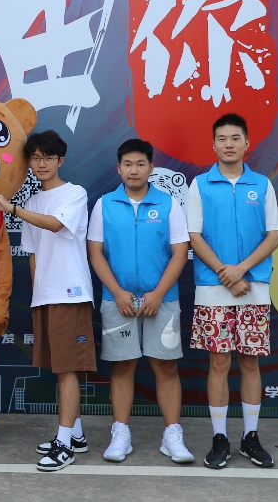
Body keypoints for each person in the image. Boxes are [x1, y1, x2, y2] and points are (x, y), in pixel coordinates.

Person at [0, 129, 94, 472]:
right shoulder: (32, 203)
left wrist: (12, 209)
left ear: (60, 160)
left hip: (71, 294)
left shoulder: (74, 193)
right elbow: (33, 254)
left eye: (48, 157)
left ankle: (64, 445)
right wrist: (38, 294)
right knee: (59, 367)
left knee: (67, 370)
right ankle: (75, 435)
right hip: (46, 297)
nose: (41, 164)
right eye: (35, 158)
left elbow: (55, 225)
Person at [87, 138, 193, 464]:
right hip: (117, 300)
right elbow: (95, 253)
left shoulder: (169, 204)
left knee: (166, 366)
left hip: (163, 300)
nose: (134, 170)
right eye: (128, 164)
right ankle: (121, 434)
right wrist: (118, 293)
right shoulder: (105, 205)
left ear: (151, 168)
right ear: (119, 168)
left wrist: (158, 293)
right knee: (122, 367)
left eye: (140, 164)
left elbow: (180, 252)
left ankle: (172, 435)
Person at [185, 114, 278, 470]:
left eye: (235, 138)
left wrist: (241, 270)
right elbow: (194, 236)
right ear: (214, 145)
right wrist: (226, 274)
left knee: (250, 361)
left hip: (254, 287)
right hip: (214, 288)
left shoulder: (263, 185)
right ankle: (220, 438)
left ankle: (250, 437)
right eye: (222, 138)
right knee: (219, 362)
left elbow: (274, 235)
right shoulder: (200, 185)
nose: (229, 144)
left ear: (246, 143)